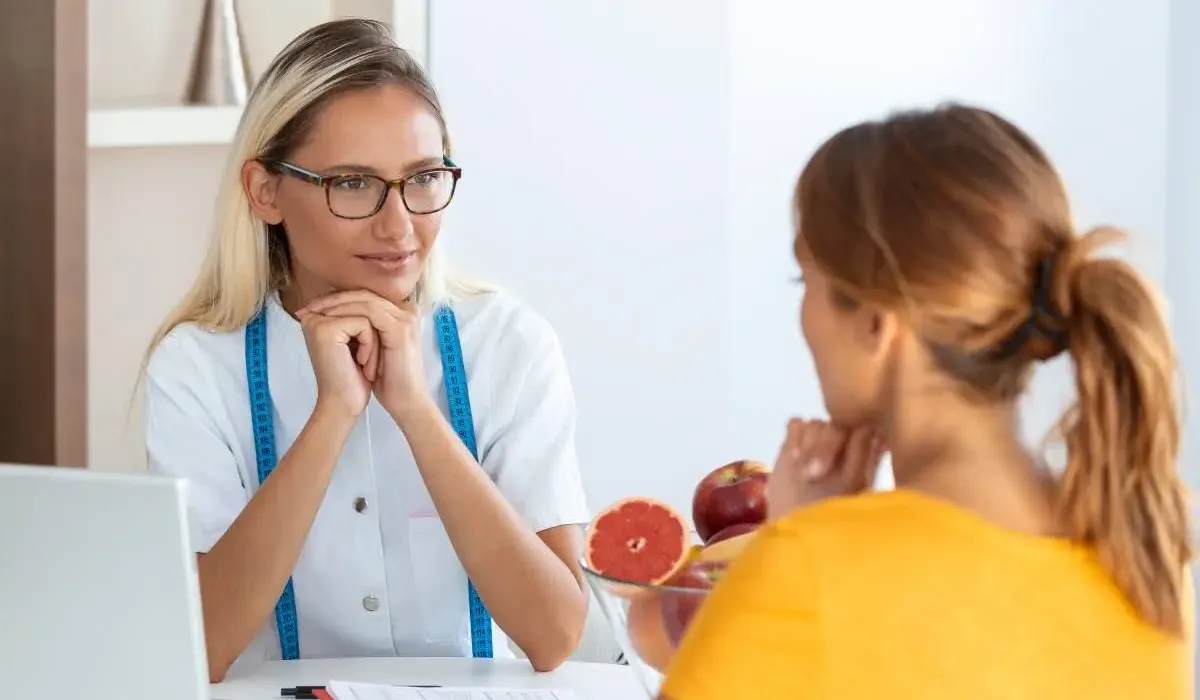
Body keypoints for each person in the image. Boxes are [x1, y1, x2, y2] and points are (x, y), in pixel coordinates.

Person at [659, 104, 1195, 699]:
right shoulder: (1144, 560)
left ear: (877, 325)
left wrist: (797, 539)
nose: (802, 315)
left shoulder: (808, 568)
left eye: (805, 282)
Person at [141, 18, 590, 682]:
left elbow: (554, 634)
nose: (399, 223)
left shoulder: (508, 346)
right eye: (353, 183)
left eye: (423, 178)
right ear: (265, 192)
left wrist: (415, 411)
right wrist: (332, 417)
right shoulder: (197, 369)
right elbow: (199, 644)